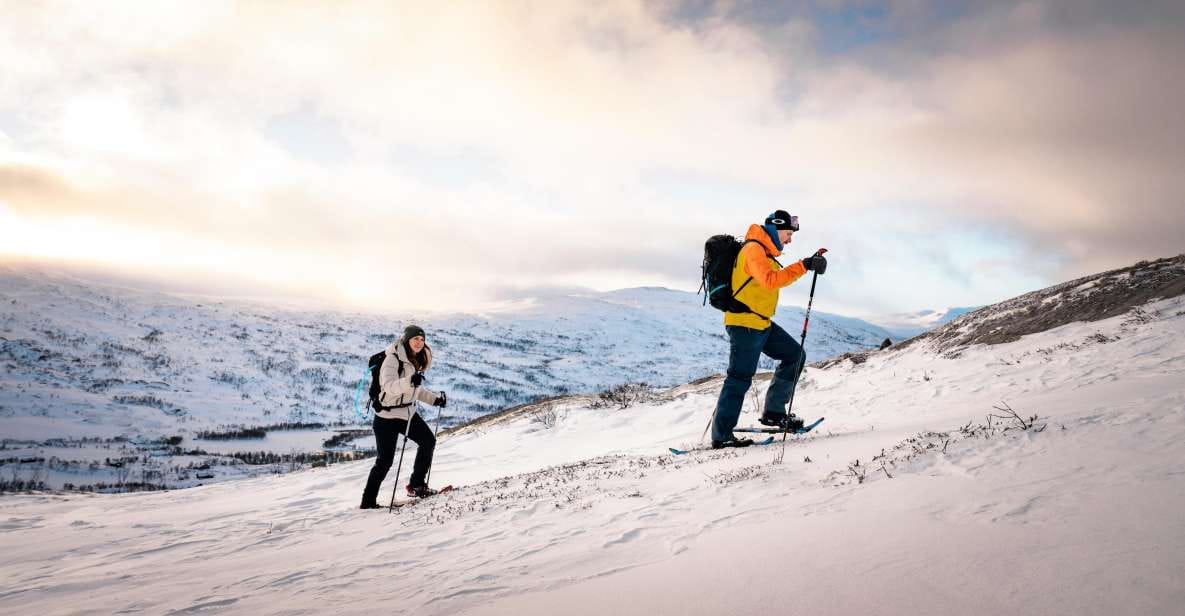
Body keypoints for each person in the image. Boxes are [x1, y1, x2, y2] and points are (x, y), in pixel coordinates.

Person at [711, 210, 827, 449]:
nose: (789, 240)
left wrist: (806, 265)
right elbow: (771, 280)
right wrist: (804, 265)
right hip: (745, 324)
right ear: (775, 230)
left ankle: (774, 412)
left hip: (761, 323)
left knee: (795, 355)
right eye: (787, 234)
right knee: (739, 378)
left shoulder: (763, 251)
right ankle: (721, 435)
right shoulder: (753, 250)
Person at [360, 325, 448, 508]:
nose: (419, 342)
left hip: (408, 413)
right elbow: (389, 386)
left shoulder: (414, 359)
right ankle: (368, 502)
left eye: (422, 340)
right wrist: (409, 381)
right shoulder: (392, 359)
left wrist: (435, 400)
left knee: (428, 442)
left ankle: (417, 485)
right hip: (386, 417)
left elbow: (415, 389)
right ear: (406, 340)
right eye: (415, 339)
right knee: (384, 462)